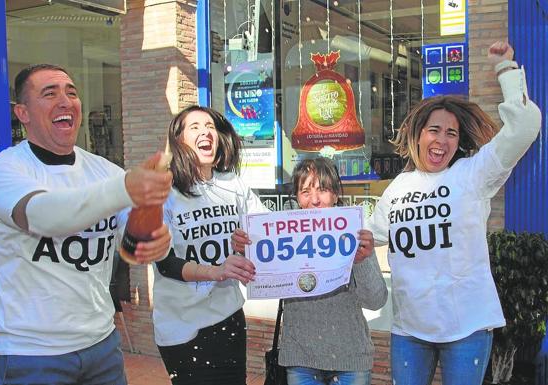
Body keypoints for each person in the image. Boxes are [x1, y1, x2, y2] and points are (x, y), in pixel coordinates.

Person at [0, 64, 173, 385]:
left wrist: (154, 231)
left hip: (101, 344)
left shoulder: (105, 171)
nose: (66, 100)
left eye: (71, 92)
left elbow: (136, 242)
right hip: (31, 353)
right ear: (23, 113)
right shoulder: (1, 172)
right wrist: (125, 188)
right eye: (49, 93)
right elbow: (41, 216)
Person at [366, 41, 542, 385]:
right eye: (434, 130)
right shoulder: (397, 189)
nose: (442, 140)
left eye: (451, 133)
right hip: (410, 330)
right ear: (418, 135)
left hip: (466, 328)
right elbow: (363, 236)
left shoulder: (474, 174)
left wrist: (505, 69)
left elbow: (525, 126)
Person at [232, 157, 388, 385]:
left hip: (351, 359)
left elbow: (376, 301)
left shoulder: (355, 234)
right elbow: (256, 282)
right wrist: (246, 251)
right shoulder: (283, 235)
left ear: (335, 194)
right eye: (305, 191)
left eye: (323, 190)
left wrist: (361, 260)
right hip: (300, 359)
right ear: (296, 197)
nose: (314, 200)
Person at [152, 105, 267, 385]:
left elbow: (266, 233)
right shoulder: (163, 191)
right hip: (183, 327)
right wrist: (217, 271)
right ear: (178, 140)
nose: (206, 132)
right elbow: (165, 263)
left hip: (228, 317)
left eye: (210, 126)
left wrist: (245, 244)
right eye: (195, 127)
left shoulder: (235, 185)